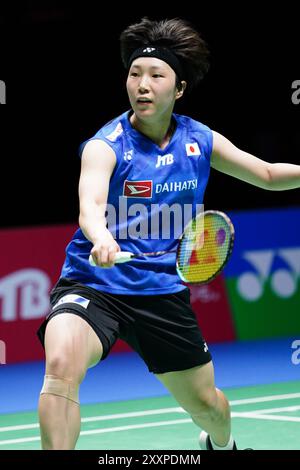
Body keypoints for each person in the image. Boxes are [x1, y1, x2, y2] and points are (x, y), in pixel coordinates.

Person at [37, 17, 300, 450]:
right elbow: (89, 207)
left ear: (178, 90)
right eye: (135, 74)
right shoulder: (107, 145)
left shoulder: (199, 140)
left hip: (162, 291)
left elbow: (269, 175)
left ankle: (219, 443)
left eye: (156, 76)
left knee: (210, 408)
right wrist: (101, 237)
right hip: (95, 283)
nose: (142, 85)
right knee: (61, 363)